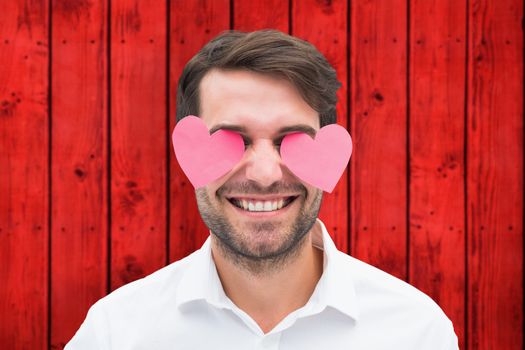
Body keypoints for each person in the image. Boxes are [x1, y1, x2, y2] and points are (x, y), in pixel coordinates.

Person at [66, 29, 458, 349]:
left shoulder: (416, 331)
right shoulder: (115, 333)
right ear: (188, 151)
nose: (266, 174)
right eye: (232, 138)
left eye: (292, 139)